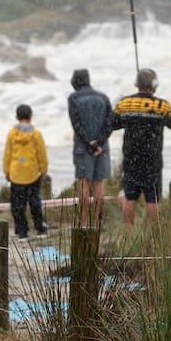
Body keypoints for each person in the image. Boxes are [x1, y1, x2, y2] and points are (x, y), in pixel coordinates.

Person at [113, 68, 171, 231]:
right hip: (153, 158)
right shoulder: (162, 105)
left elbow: (113, 124)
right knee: (153, 198)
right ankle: (150, 233)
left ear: (137, 84)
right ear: (155, 84)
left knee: (130, 196)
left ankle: (128, 230)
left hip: (131, 157)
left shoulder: (125, 103)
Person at [67, 68, 114, 226]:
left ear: (75, 81)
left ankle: (84, 221)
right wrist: (99, 143)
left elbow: (76, 125)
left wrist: (88, 144)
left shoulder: (73, 98)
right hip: (102, 148)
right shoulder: (103, 97)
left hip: (83, 148)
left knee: (83, 182)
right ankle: (97, 222)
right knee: (98, 183)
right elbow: (110, 124)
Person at [2, 103, 48, 239]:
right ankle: (40, 229)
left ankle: (22, 232)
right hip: (33, 174)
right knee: (35, 203)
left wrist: (6, 172)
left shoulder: (11, 134)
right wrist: (43, 171)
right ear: (31, 116)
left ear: (16, 117)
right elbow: (42, 154)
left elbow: (7, 154)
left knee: (17, 206)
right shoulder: (36, 134)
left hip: (16, 174)